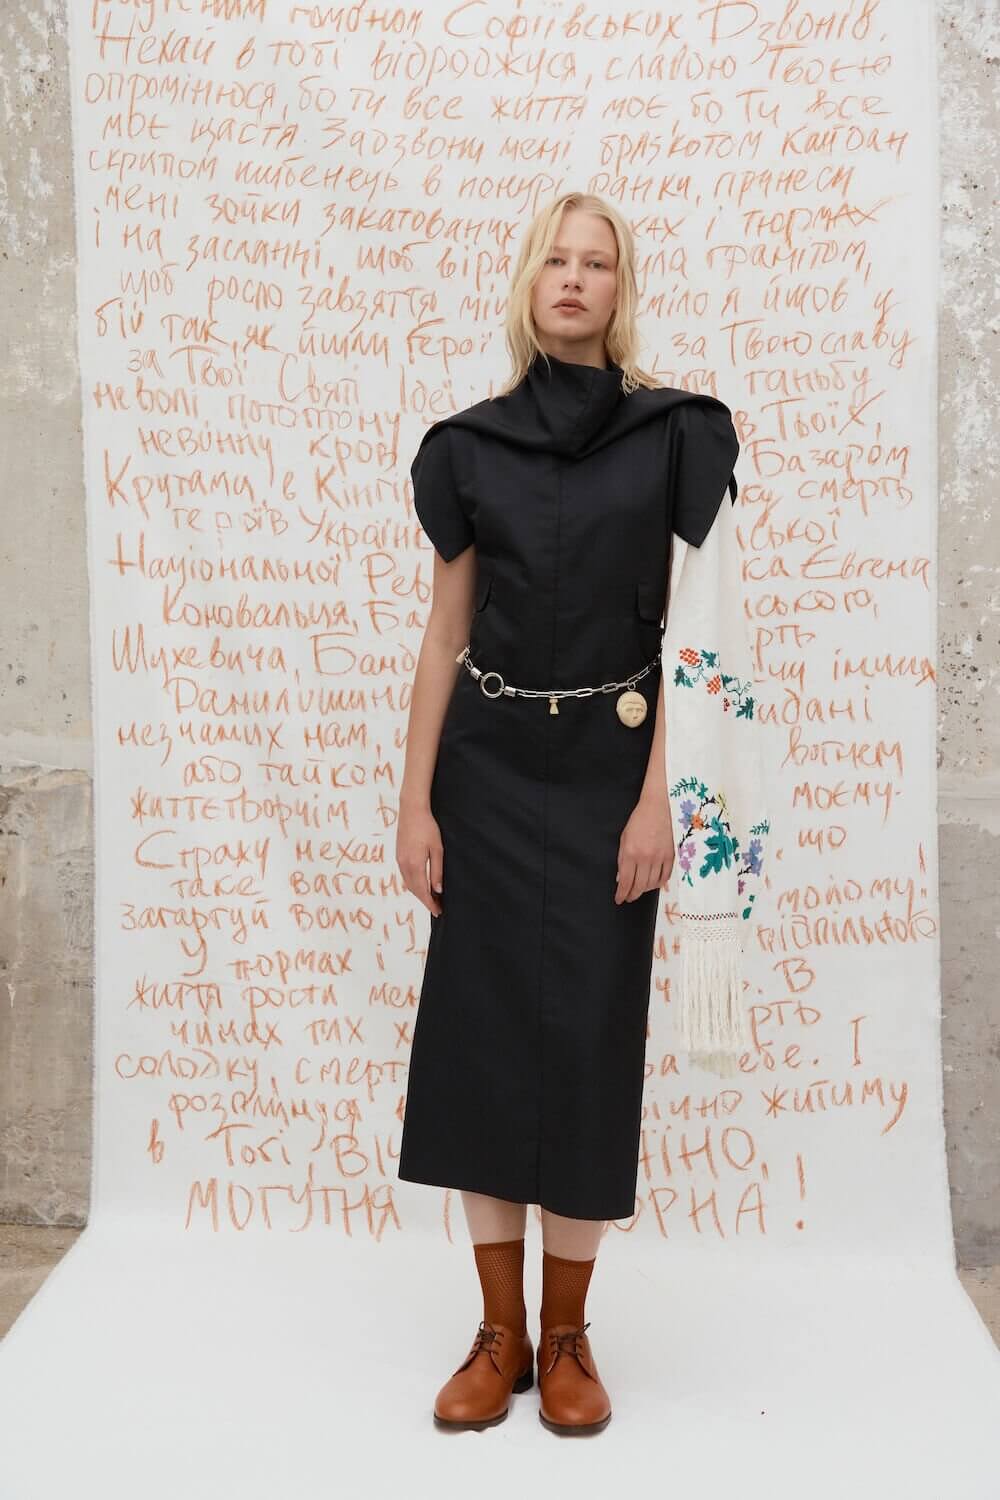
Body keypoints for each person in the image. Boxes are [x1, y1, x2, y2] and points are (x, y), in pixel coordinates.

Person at [395, 191, 745, 1435]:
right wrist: (414, 802)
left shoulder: (677, 435)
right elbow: (445, 632)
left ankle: (567, 1336)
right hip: (485, 774)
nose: (574, 277)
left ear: (619, 289)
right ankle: (496, 1336)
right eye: (556, 256)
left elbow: (697, 637)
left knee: (589, 1042)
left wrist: (663, 800)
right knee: (483, 1042)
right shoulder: (466, 447)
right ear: (527, 280)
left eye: (598, 262)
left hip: (613, 773)